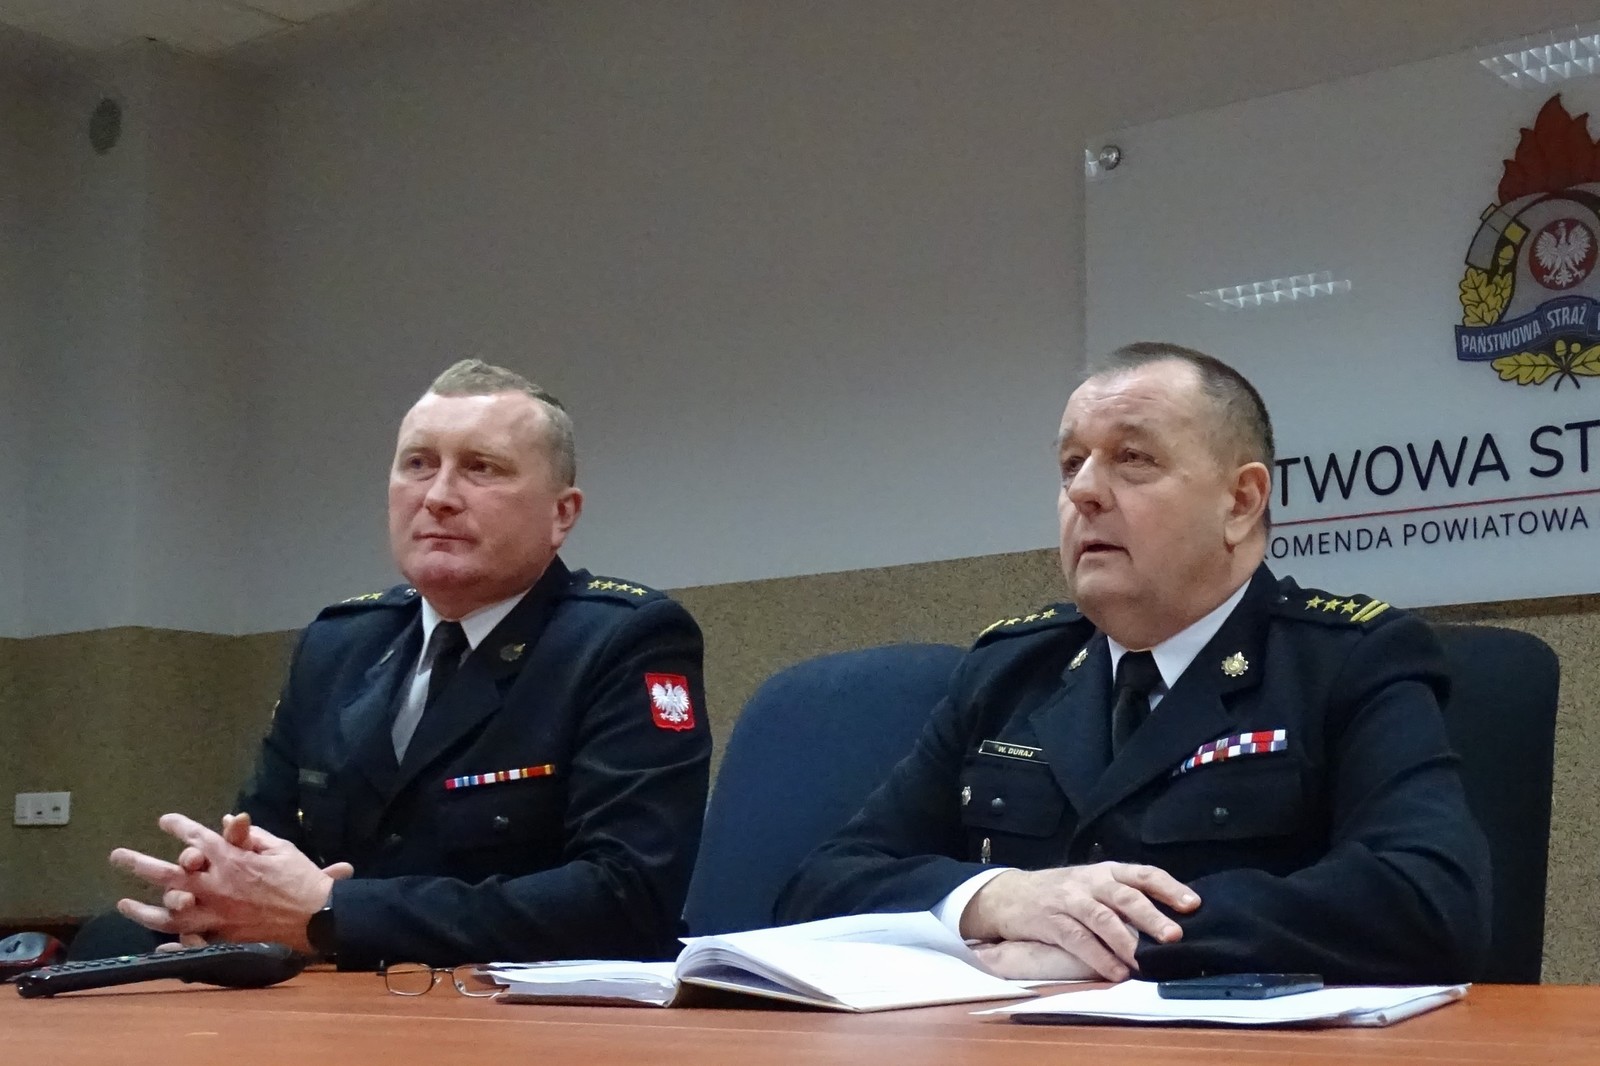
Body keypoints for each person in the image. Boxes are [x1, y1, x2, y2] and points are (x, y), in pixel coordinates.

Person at [775, 342, 1491, 984]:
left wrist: (1114, 939)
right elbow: (824, 886)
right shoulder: (1009, 671)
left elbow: (1428, 900)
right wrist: (994, 898)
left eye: (1133, 459)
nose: (1084, 491)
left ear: (1241, 502)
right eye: (1070, 465)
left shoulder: (1348, 659)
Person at [104, 359, 711, 969]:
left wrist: (334, 911)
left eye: (481, 467)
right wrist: (217, 894)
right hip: (337, 999)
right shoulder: (338, 645)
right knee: (114, 940)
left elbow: (627, 900)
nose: (438, 497)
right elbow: (265, 845)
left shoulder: (620, 639)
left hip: (524, 1007)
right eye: (418, 464)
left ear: (562, 514)